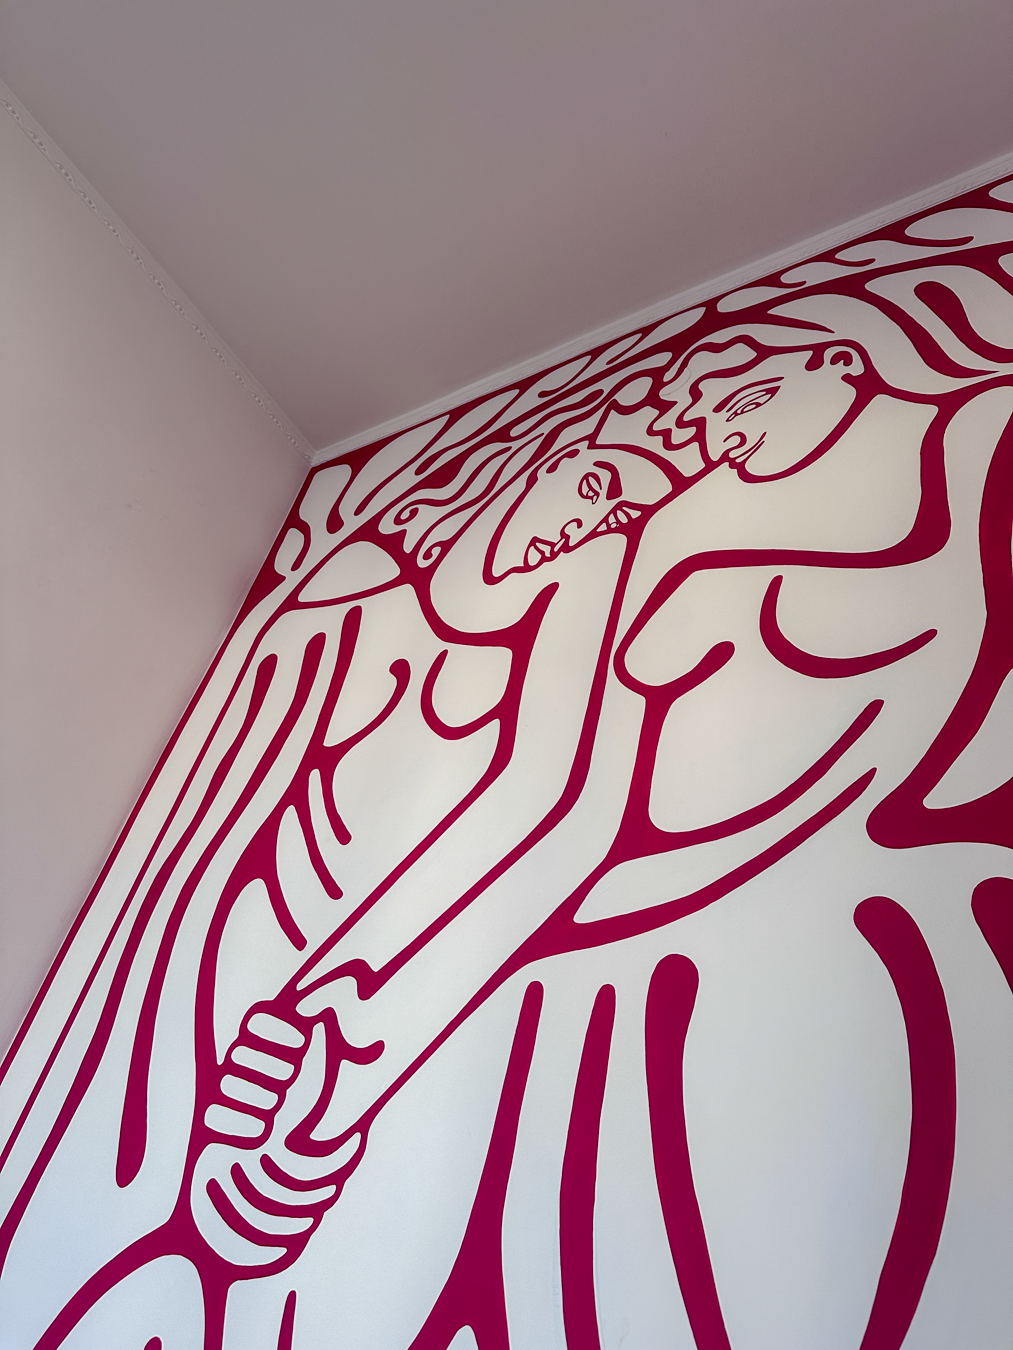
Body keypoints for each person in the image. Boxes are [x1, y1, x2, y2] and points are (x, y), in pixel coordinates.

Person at [4, 216, 1013, 1349]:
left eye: (738, 395)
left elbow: (570, 809)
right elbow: (544, 801)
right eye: (687, 414)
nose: (703, 422)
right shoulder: (414, 610)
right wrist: (338, 1007)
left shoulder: (933, 472)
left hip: (732, 992)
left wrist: (360, 1028)